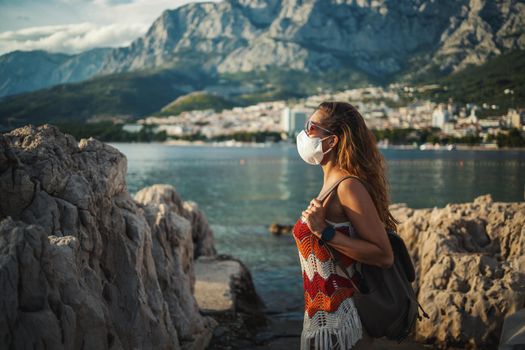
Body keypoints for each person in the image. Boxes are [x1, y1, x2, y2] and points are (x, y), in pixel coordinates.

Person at [292, 101, 398, 350]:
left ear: (332, 141)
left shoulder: (348, 187)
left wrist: (324, 232)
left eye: (311, 127)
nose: (305, 133)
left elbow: (384, 255)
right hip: (321, 320)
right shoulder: (331, 186)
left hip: (344, 325)